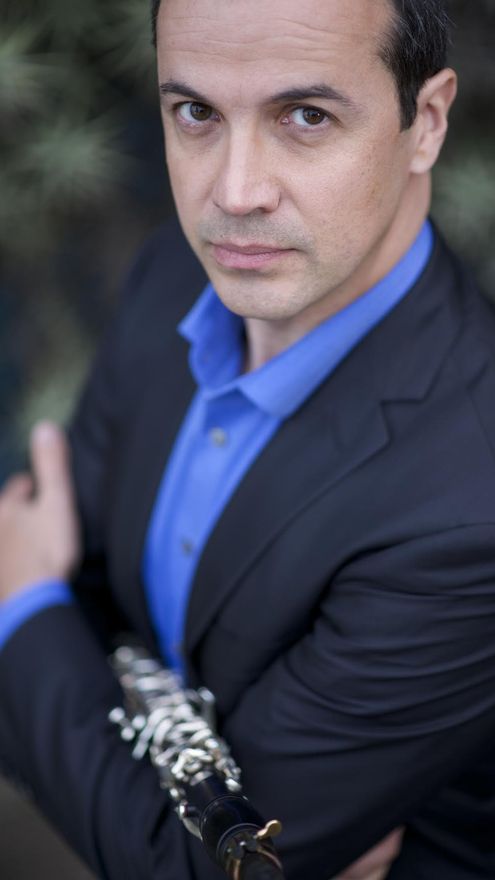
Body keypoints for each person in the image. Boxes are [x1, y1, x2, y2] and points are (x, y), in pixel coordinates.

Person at [1, 0, 495, 877]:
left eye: (305, 116)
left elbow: (194, 865)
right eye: (195, 111)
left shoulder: (469, 509)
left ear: (423, 120)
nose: (232, 195)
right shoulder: (173, 271)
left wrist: (20, 607)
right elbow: (91, 593)